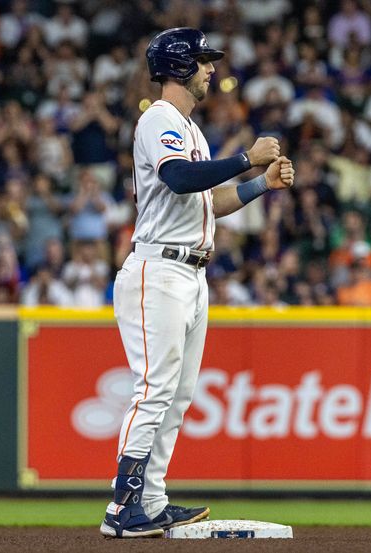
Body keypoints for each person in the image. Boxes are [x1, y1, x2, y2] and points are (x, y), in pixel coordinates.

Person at [100, 27, 295, 539]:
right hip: (159, 270)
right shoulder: (158, 119)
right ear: (181, 66)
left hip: (190, 271)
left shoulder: (189, 128)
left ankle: (154, 499)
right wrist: (246, 158)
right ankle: (122, 508)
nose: (212, 69)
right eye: (205, 61)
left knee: (178, 395)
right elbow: (181, 178)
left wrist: (260, 185)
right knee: (154, 390)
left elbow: (209, 202)